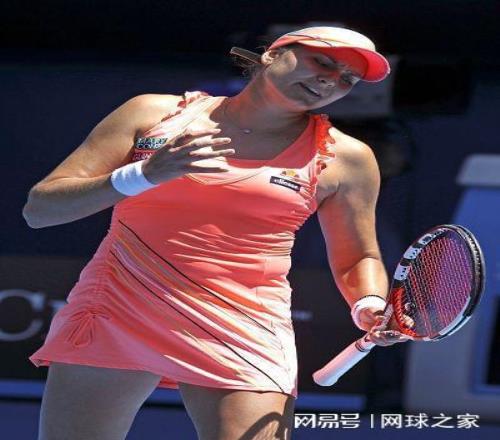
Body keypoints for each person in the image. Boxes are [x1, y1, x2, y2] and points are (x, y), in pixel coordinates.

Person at [23, 26, 409, 440]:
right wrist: (144, 175)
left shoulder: (349, 159)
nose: (330, 80)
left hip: (244, 323)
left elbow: (359, 257)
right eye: (323, 62)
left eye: (347, 78)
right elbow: (40, 209)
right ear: (271, 54)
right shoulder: (151, 114)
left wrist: (368, 302)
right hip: (117, 307)